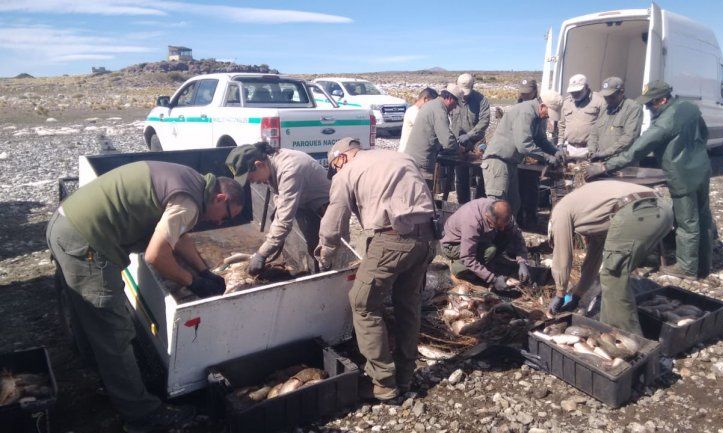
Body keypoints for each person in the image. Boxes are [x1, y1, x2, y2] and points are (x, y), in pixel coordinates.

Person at [46, 161, 244, 432]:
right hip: (87, 243)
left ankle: (103, 376)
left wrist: (203, 270)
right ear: (220, 198)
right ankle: (142, 414)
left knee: (89, 315)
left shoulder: (194, 181)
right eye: (227, 216)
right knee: (113, 331)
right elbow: (155, 256)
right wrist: (193, 282)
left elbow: (179, 235)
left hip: (65, 223)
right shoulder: (189, 202)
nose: (221, 222)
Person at [316, 138, 436, 401]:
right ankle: (405, 376)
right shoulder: (399, 156)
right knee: (408, 305)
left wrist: (325, 252)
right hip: (427, 239)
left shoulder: (346, 172)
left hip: (393, 239)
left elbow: (335, 221)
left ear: (341, 158)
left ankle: (383, 382)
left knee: (362, 303)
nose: (336, 171)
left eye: (334, 167)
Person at [586, 81, 713, 279]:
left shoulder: (665, 122)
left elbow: (637, 150)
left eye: (649, 104)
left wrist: (605, 167)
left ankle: (687, 268)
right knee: (703, 217)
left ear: (662, 100)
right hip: (701, 168)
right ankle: (704, 265)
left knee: (686, 222)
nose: (647, 108)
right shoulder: (689, 107)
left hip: (682, 176)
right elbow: (704, 134)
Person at [547, 180, 674, 334]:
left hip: (637, 211)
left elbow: (562, 256)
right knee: (614, 271)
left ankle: (626, 336)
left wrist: (560, 293)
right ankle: (612, 324)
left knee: (613, 275)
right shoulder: (591, 210)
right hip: (663, 209)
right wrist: (577, 295)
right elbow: (593, 261)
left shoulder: (560, 211)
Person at [226, 142, 330, 273]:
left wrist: (262, 254)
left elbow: (283, 221)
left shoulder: (289, 170)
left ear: (259, 165)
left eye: (251, 178)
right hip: (304, 203)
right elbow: (279, 199)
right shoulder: (270, 165)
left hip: (325, 206)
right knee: (310, 246)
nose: (253, 182)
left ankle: (326, 276)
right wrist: (272, 238)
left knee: (324, 253)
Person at [482, 96, 563, 216]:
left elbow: (541, 140)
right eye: (548, 113)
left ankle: (509, 229)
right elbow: (524, 145)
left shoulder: (539, 117)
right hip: (498, 162)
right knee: (497, 207)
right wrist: (546, 157)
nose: (548, 116)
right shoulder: (526, 112)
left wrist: (555, 151)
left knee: (513, 205)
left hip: (511, 163)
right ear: (542, 106)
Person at [440, 198, 530, 288]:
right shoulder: (472, 222)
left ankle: (484, 265)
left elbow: (517, 235)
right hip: (453, 244)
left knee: (507, 234)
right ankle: (459, 267)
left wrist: (522, 262)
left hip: (477, 237)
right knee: (490, 251)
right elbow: (468, 257)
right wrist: (493, 279)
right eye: (498, 226)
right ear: (487, 217)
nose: (502, 229)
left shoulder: (503, 214)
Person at [403, 84, 463, 187]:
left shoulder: (432, 104)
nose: (455, 107)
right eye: (455, 103)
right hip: (421, 163)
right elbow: (447, 140)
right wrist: (459, 149)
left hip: (412, 159)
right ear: (450, 98)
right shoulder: (439, 110)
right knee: (422, 194)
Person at [450, 73, 491, 203]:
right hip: (459, 143)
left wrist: (469, 135)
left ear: (473, 86)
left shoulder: (481, 100)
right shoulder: (453, 99)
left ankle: (479, 204)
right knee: (460, 175)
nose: (464, 95)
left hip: (477, 142)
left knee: (481, 175)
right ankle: (463, 203)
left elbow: (484, 121)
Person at [587, 77, 643, 162]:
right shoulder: (604, 108)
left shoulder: (633, 108)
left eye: (611, 97)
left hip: (621, 162)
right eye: (605, 97)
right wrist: (592, 150)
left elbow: (629, 138)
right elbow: (594, 133)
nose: (608, 100)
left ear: (622, 92)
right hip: (601, 161)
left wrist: (605, 153)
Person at [558, 74, 606, 150]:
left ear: (586, 87)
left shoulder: (599, 101)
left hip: (590, 149)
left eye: (578, 91)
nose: (574, 94)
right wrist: (560, 143)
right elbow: (562, 125)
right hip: (569, 148)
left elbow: (604, 126)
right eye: (572, 91)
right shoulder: (566, 102)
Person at [398, 87, 439, 152]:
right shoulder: (413, 111)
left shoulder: (419, 111)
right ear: (426, 99)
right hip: (407, 152)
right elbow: (426, 128)